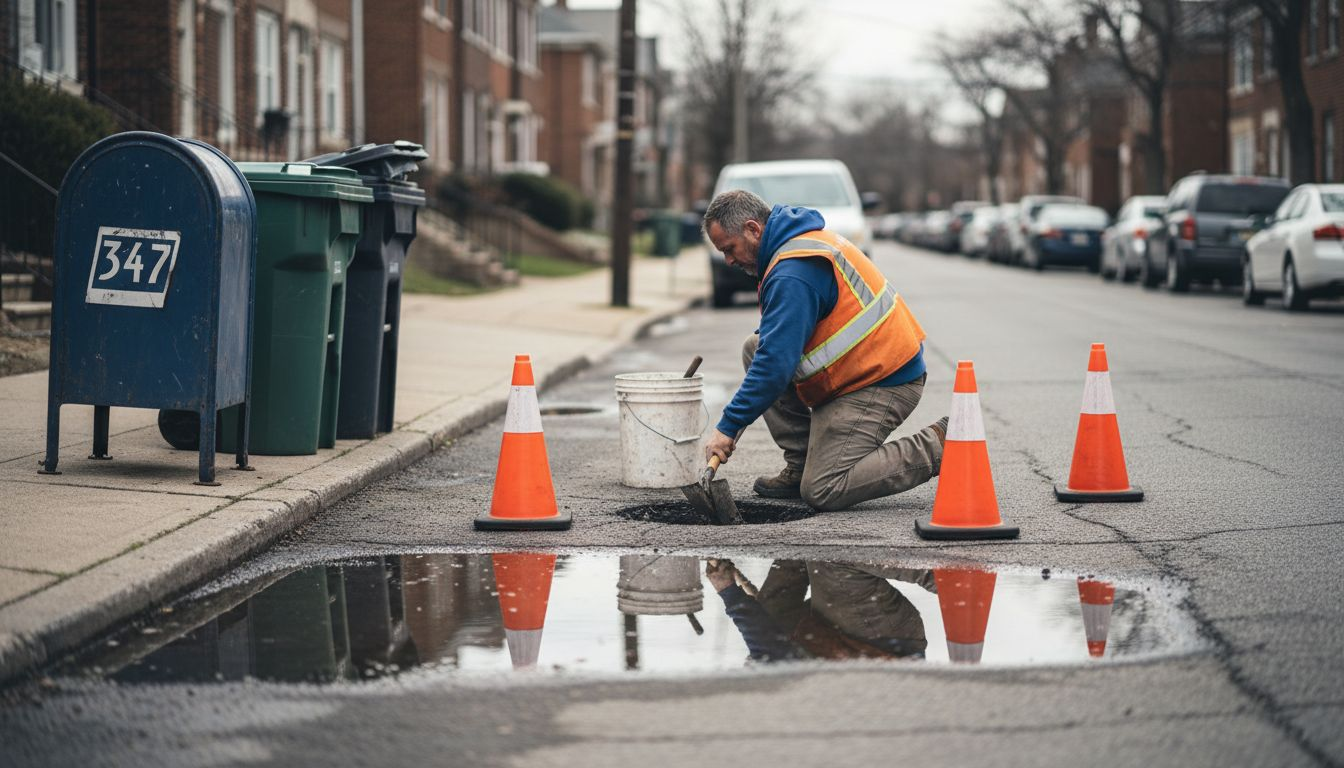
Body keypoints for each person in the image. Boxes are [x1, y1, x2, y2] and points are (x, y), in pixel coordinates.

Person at [702, 189, 946, 511]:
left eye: (729, 249)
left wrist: (728, 427)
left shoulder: (793, 272)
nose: (728, 260)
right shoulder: (792, 246)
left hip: (883, 380)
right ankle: (802, 462)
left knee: (823, 488)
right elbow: (773, 350)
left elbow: (774, 367)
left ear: (753, 229)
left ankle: (944, 445)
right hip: (855, 373)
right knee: (755, 347)